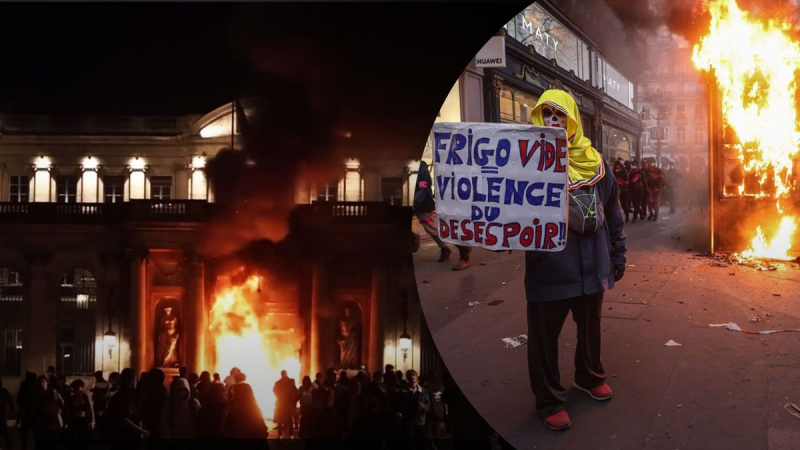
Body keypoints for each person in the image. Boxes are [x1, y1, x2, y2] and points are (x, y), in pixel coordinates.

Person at [526, 89, 627, 431]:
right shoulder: (528, 162)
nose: (554, 121)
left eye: (560, 115)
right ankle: (550, 399)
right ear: (540, 118)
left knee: (590, 330)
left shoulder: (596, 161)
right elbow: (509, 212)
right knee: (544, 339)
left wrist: (618, 254)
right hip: (550, 268)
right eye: (547, 114)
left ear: (572, 120)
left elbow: (613, 212)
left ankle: (588, 375)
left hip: (592, 266)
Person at [413, 160, 453, 263]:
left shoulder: (421, 168)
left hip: (422, 203)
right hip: (415, 201)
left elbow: (423, 187)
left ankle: (446, 248)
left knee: (431, 228)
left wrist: (416, 201)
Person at [273, 370, 298, 438]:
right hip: (285, 403)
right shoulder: (290, 382)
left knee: (284, 419)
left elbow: (275, 390)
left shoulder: (280, 382)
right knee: (285, 419)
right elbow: (295, 391)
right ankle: (289, 435)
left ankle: (285, 435)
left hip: (283, 403)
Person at [16, 372, 39, 450]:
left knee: (24, 433)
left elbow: (20, 400)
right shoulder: (36, 386)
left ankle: (25, 447)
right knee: (35, 432)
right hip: (34, 413)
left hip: (26, 412)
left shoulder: (24, 385)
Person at [405, 370, 431, 439]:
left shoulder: (423, 391)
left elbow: (428, 405)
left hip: (420, 420)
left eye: (413, 375)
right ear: (407, 378)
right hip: (409, 420)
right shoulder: (404, 391)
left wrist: (422, 407)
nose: (412, 376)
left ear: (417, 378)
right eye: (410, 375)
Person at [0, 376, 14, 450]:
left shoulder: (4, 391)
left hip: (2, 413)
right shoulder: (4, 391)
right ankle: (8, 446)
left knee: (4, 430)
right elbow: (10, 400)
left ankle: (8, 445)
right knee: (5, 430)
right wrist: (11, 409)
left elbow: (10, 400)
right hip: (2, 413)